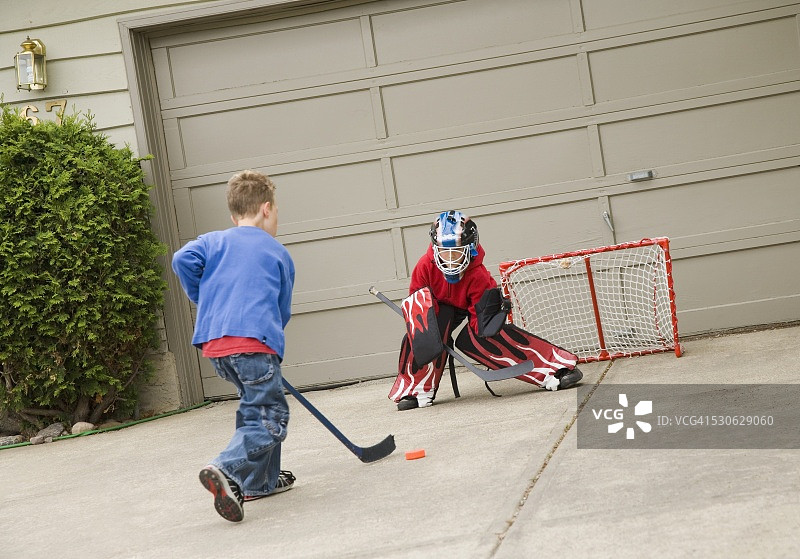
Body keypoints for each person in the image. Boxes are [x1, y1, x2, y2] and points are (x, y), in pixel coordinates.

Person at [172, 169, 296, 522]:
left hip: (215, 346)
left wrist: (206, 299)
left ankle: (259, 483)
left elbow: (181, 260)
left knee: (256, 408)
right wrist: (268, 345)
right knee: (272, 418)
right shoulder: (277, 253)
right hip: (254, 344)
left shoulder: (213, 241)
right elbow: (281, 309)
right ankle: (225, 468)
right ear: (267, 209)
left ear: (233, 214)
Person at [388, 210, 583, 411]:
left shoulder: (478, 274)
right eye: (445, 253)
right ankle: (415, 388)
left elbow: (483, 322)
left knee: (486, 335)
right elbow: (418, 306)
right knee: (426, 331)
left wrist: (488, 321)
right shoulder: (424, 267)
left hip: (471, 304)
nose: (451, 260)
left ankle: (555, 368)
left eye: (456, 252)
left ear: (470, 247)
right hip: (439, 306)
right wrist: (429, 335)